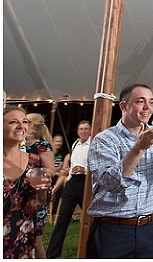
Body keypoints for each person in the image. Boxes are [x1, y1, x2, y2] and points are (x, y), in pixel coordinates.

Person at [85, 84, 153, 258]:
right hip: (113, 230)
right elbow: (110, 182)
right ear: (123, 106)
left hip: (150, 228)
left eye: (151, 102)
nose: (148, 107)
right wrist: (138, 148)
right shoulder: (105, 140)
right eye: (140, 101)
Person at [4, 107, 52, 259]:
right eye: (13, 122)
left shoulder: (34, 161)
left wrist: (42, 190)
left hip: (21, 235)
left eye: (24, 121)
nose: (21, 125)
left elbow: (39, 204)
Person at [45, 120, 91, 259]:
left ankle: (90, 251)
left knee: (90, 220)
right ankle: (52, 253)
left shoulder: (93, 145)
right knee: (62, 218)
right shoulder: (75, 143)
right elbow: (72, 163)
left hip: (85, 183)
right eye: (81, 129)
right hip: (72, 183)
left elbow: (98, 167)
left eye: (86, 129)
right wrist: (68, 171)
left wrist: (85, 170)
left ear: (90, 130)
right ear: (77, 131)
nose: (83, 131)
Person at [24, 112, 55, 258]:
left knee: (36, 239)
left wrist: (33, 173)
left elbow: (51, 170)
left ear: (32, 125)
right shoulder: (20, 144)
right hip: (20, 193)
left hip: (37, 194)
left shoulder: (43, 145)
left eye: (25, 122)